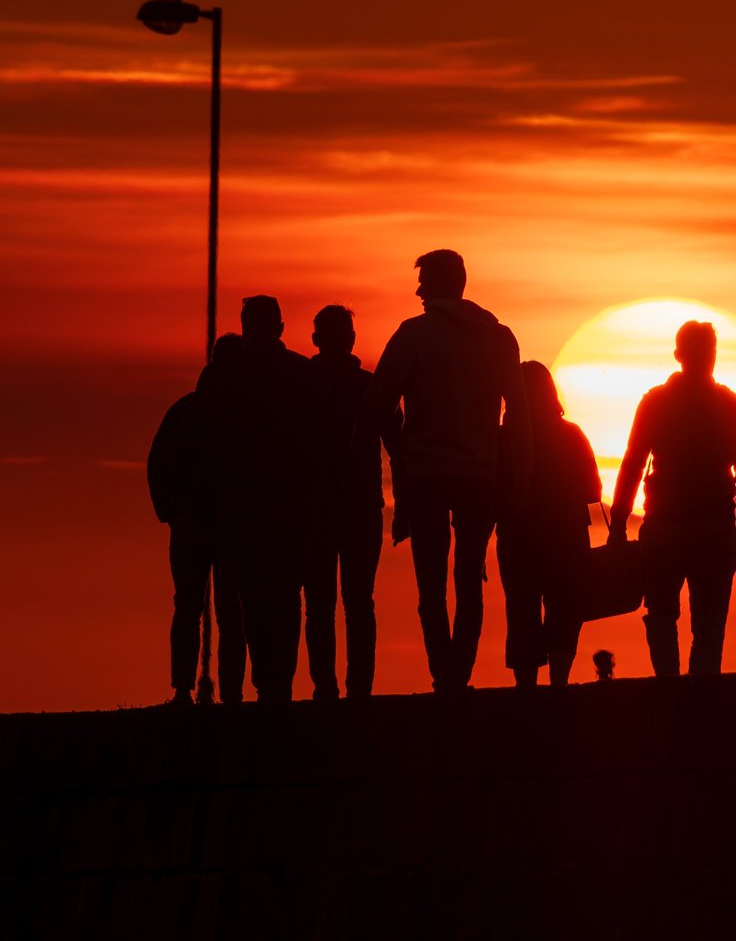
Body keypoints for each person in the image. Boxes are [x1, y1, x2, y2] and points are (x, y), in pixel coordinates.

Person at [360, 250, 530, 694]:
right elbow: (521, 414)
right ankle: (458, 674)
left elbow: (377, 405)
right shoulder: (500, 339)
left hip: (427, 475)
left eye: (423, 281)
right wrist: (517, 480)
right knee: (469, 578)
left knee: (431, 584)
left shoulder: (414, 336)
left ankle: (445, 676)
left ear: (438, 284)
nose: (417, 291)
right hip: (479, 474)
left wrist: (392, 453)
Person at [608, 320, 736, 676]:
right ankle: (695, 700)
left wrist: (618, 525)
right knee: (706, 627)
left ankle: (672, 692)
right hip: (706, 530)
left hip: (669, 530)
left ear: (680, 355)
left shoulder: (656, 403)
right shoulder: (731, 406)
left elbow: (633, 464)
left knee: (664, 616)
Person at [200, 295, 317, 703]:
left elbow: (205, 444)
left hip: (242, 508)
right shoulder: (302, 373)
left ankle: (269, 681)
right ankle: (278, 681)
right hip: (289, 506)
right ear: (281, 328)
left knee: (249, 601)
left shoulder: (220, 377)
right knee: (286, 598)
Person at [303, 304, 401, 700]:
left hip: (317, 509)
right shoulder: (370, 386)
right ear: (352, 340)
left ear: (315, 340)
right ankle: (357, 688)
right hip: (359, 508)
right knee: (359, 603)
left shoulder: (301, 386)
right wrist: (406, 503)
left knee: (320, 606)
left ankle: (326, 688)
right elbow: (399, 447)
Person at [147, 334, 247, 705]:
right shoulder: (243, 414)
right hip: (220, 525)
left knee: (191, 608)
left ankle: (184, 689)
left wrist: (169, 512)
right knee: (229, 612)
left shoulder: (185, 408)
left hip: (192, 524)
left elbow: (156, 461)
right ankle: (228, 694)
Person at [497, 361, 601, 689]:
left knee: (521, 611)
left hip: (518, 539)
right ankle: (559, 684)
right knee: (565, 608)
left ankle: (526, 688)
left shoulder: (503, 439)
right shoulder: (571, 434)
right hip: (566, 536)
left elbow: (492, 494)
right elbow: (593, 490)